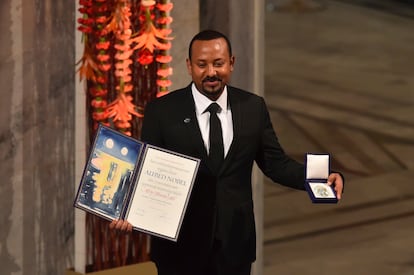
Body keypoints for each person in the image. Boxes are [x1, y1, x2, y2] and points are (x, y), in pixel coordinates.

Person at [110, 29, 344, 275]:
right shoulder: (162, 111)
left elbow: (276, 164)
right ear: (189, 66)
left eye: (218, 63)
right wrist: (126, 211)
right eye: (202, 64)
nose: (211, 72)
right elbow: (147, 171)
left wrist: (320, 178)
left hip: (235, 247)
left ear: (231, 63)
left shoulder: (253, 107)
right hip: (179, 250)